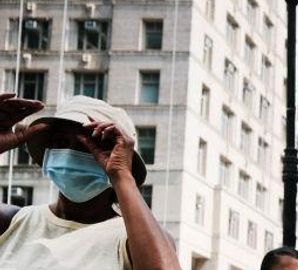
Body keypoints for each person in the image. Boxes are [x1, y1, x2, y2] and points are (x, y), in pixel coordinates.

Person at [0, 94, 181, 269]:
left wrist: (121, 175)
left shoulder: (135, 240)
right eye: (61, 142)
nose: (69, 154)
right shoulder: (13, 222)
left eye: (86, 145)